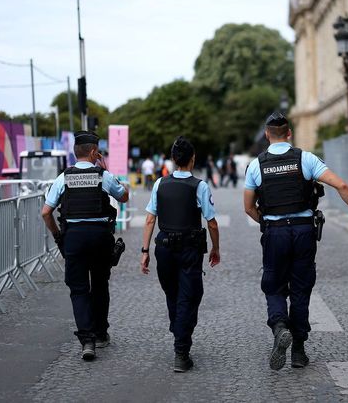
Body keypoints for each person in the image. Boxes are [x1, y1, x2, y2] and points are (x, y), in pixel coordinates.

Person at [243, 112, 348, 370]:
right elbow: (341, 185)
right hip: (302, 231)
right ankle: (298, 350)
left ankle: (279, 328)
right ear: (289, 133)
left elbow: (248, 207)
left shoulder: (256, 165)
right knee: (301, 288)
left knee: (274, 285)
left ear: (267, 135)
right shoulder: (306, 159)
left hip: (275, 232)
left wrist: (267, 223)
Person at [41, 130, 129, 361]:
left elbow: (46, 212)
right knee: (99, 285)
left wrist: (58, 235)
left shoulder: (63, 178)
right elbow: (124, 197)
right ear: (93, 152)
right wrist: (107, 169)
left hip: (74, 238)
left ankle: (87, 341)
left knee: (79, 289)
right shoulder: (104, 176)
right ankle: (100, 334)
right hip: (100, 237)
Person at [140, 136, 221, 373]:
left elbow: (149, 218)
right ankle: (181, 349)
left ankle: (179, 328)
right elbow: (212, 223)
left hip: (163, 247)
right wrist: (216, 248)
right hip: (189, 249)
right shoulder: (200, 186)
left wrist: (144, 251)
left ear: (174, 159)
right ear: (192, 159)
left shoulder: (159, 184)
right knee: (191, 295)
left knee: (173, 293)